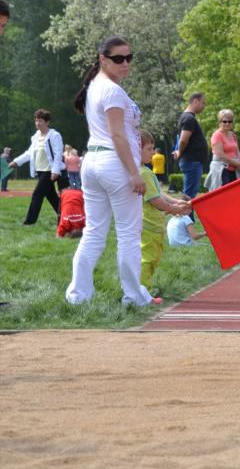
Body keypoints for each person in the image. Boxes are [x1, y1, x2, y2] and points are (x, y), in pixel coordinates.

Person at [65, 36, 157, 307]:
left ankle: (78, 295)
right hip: (114, 163)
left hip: (92, 161)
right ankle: (134, 296)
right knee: (128, 233)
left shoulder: (95, 85)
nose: (125, 63)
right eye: (118, 58)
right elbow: (117, 135)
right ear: (103, 59)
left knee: (94, 232)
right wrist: (134, 173)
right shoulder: (113, 91)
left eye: (129, 58)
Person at [140, 130, 191, 291]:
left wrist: (176, 202)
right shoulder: (143, 173)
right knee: (147, 259)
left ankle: (144, 288)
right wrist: (173, 208)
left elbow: (159, 193)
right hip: (148, 225)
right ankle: (143, 291)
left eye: (153, 148)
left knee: (153, 257)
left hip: (154, 224)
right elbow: (154, 200)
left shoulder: (146, 171)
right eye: (149, 149)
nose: (153, 152)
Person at [9, 109, 68, 225]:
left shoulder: (54, 135)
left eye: (40, 121)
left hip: (50, 171)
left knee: (37, 194)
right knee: (51, 196)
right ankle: (64, 216)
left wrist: (55, 171)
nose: (37, 123)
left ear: (47, 122)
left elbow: (58, 154)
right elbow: (29, 153)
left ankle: (29, 221)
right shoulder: (36, 136)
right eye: (36, 120)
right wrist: (16, 161)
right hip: (40, 171)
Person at [173, 92, 208, 200]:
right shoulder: (189, 118)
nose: (204, 106)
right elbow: (183, 140)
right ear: (195, 101)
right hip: (192, 161)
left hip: (193, 161)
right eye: (203, 103)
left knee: (190, 193)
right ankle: (185, 211)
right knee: (189, 194)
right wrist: (180, 152)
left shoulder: (188, 118)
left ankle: (187, 210)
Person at [210, 109, 240, 186]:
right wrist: (236, 163)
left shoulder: (233, 135)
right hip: (222, 170)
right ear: (220, 122)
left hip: (235, 169)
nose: (227, 123)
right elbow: (220, 155)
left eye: (230, 121)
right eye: (225, 121)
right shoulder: (216, 135)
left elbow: (237, 150)